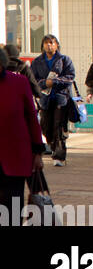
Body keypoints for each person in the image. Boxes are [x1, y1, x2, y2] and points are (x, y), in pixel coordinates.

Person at [0, 46, 45, 226]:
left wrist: (38, 152)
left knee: (12, 212)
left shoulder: (19, 83)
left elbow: (32, 119)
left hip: (16, 158)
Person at [29, 34, 75, 165]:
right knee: (46, 126)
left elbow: (70, 77)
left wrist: (54, 82)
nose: (49, 45)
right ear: (42, 45)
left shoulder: (64, 60)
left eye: (51, 43)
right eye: (46, 43)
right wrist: (44, 84)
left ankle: (59, 156)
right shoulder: (37, 62)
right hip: (45, 99)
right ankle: (53, 146)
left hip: (61, 98)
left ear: (56, 45)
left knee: (59, 126)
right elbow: (32, 79)